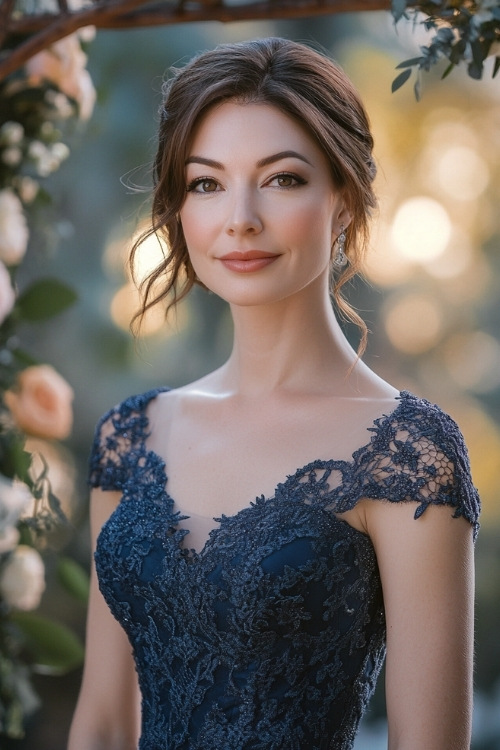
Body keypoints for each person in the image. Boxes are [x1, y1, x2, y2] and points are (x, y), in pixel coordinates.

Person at [68, 37, 480, 750]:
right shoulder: (129, 436)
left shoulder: (406, 452)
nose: (240, 218)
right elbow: (103, 722)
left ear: (344, 201)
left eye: (283, 179)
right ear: (178, 208)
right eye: (206, 184)